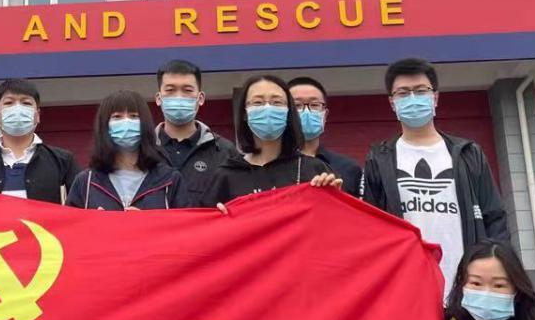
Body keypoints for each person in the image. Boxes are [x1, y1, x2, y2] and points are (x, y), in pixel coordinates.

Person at [360, 57, 508, 296]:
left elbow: (495, 218)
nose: (412, 98)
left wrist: (496, 272)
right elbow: (370, 228)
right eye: (403, 93)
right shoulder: (379, 159)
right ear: (392, 102)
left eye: (421, 91)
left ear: (435, 98)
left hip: (466, 287)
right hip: (407, 288)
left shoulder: (468, 154)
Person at [206, 74, 341, 203]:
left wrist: (333, 197)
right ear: (244, 113)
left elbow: (334, 215)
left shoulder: (314, 170)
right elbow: (208, 217)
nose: (268, 108)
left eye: (277, 102)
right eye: (258, 102)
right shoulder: (227, 175)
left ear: (289, 112)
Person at [0, 78, 80, 202]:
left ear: (37, 115)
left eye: (26, 103)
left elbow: (81, 206)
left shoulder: (63, 161)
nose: (17, 109)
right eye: (9, 103)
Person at [66, 90, 185, 210]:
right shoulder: (85, 182)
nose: (126, 122)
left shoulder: (170, 180)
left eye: (134, 116)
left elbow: (185, 220)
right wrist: (96, 220)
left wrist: (148, 220)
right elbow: (70, 221)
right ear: (104, 125)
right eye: (117, 117)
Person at [154, 59, 238, 203]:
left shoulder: (224, 151)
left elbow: (238, 202)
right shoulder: (143, 149)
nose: (179, 97)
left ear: (200, 98)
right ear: (158, 98)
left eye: (187, 90)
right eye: (170, 90)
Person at [287, 75, 363, 195]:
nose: (306, 111)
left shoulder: (348, 168)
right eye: (297, 105)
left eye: (314, 105)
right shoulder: (269, 165)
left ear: (325, 115)